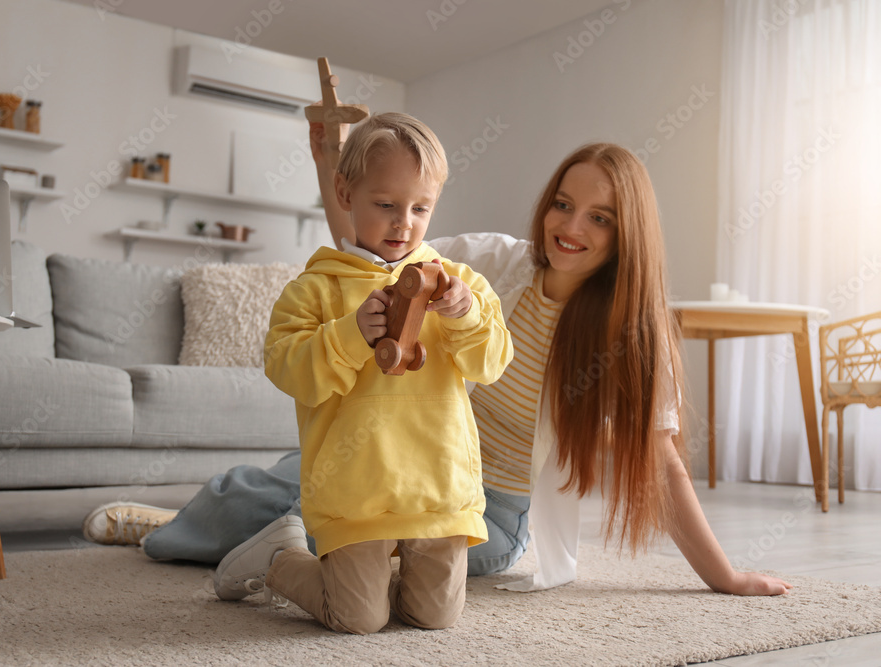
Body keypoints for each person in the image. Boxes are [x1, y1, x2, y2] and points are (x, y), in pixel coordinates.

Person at [83, 121, 792, 598]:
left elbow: (663, 463)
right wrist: (330, 167)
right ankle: (171, 527)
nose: (570, 227)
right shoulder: (491, 261)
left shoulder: (631, 333)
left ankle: (276, 551)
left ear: (626, 232)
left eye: (599, 217)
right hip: (392, 449)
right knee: (279, 491)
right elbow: (379, 248)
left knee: (377, 552)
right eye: (564, 204)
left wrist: (724, 576)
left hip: (487, 503)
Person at [231, 112, 512, 634]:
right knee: (357, 617)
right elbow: (290, 370)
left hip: (439, 488)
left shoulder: (460, 285)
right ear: (344, 194)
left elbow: (492, 363)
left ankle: (367, 578)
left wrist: (465, 316)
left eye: (420, 208)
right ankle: (279, 557)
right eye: (385, 205)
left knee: (434, 617)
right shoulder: (314, 289)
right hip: (354, 492)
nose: (404, 222)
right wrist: (348, 335)